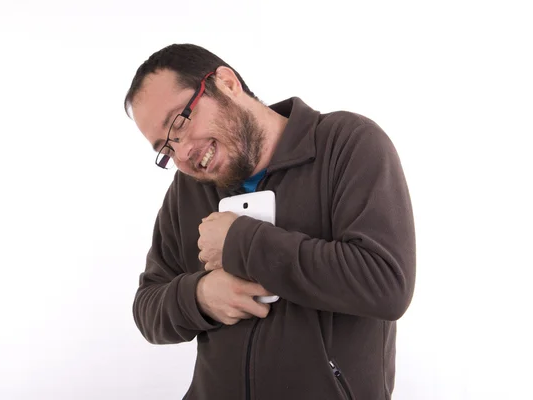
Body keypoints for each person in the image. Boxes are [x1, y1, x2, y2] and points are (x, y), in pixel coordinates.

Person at [124, 43, 416, 400]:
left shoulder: (347, 143)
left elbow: (385, 284)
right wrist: (200, 296)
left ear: (227, 83)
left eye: (180, 123)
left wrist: (239, 244)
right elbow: (147, 306)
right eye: (165, 149)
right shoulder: (188, 190)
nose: (182, 153)